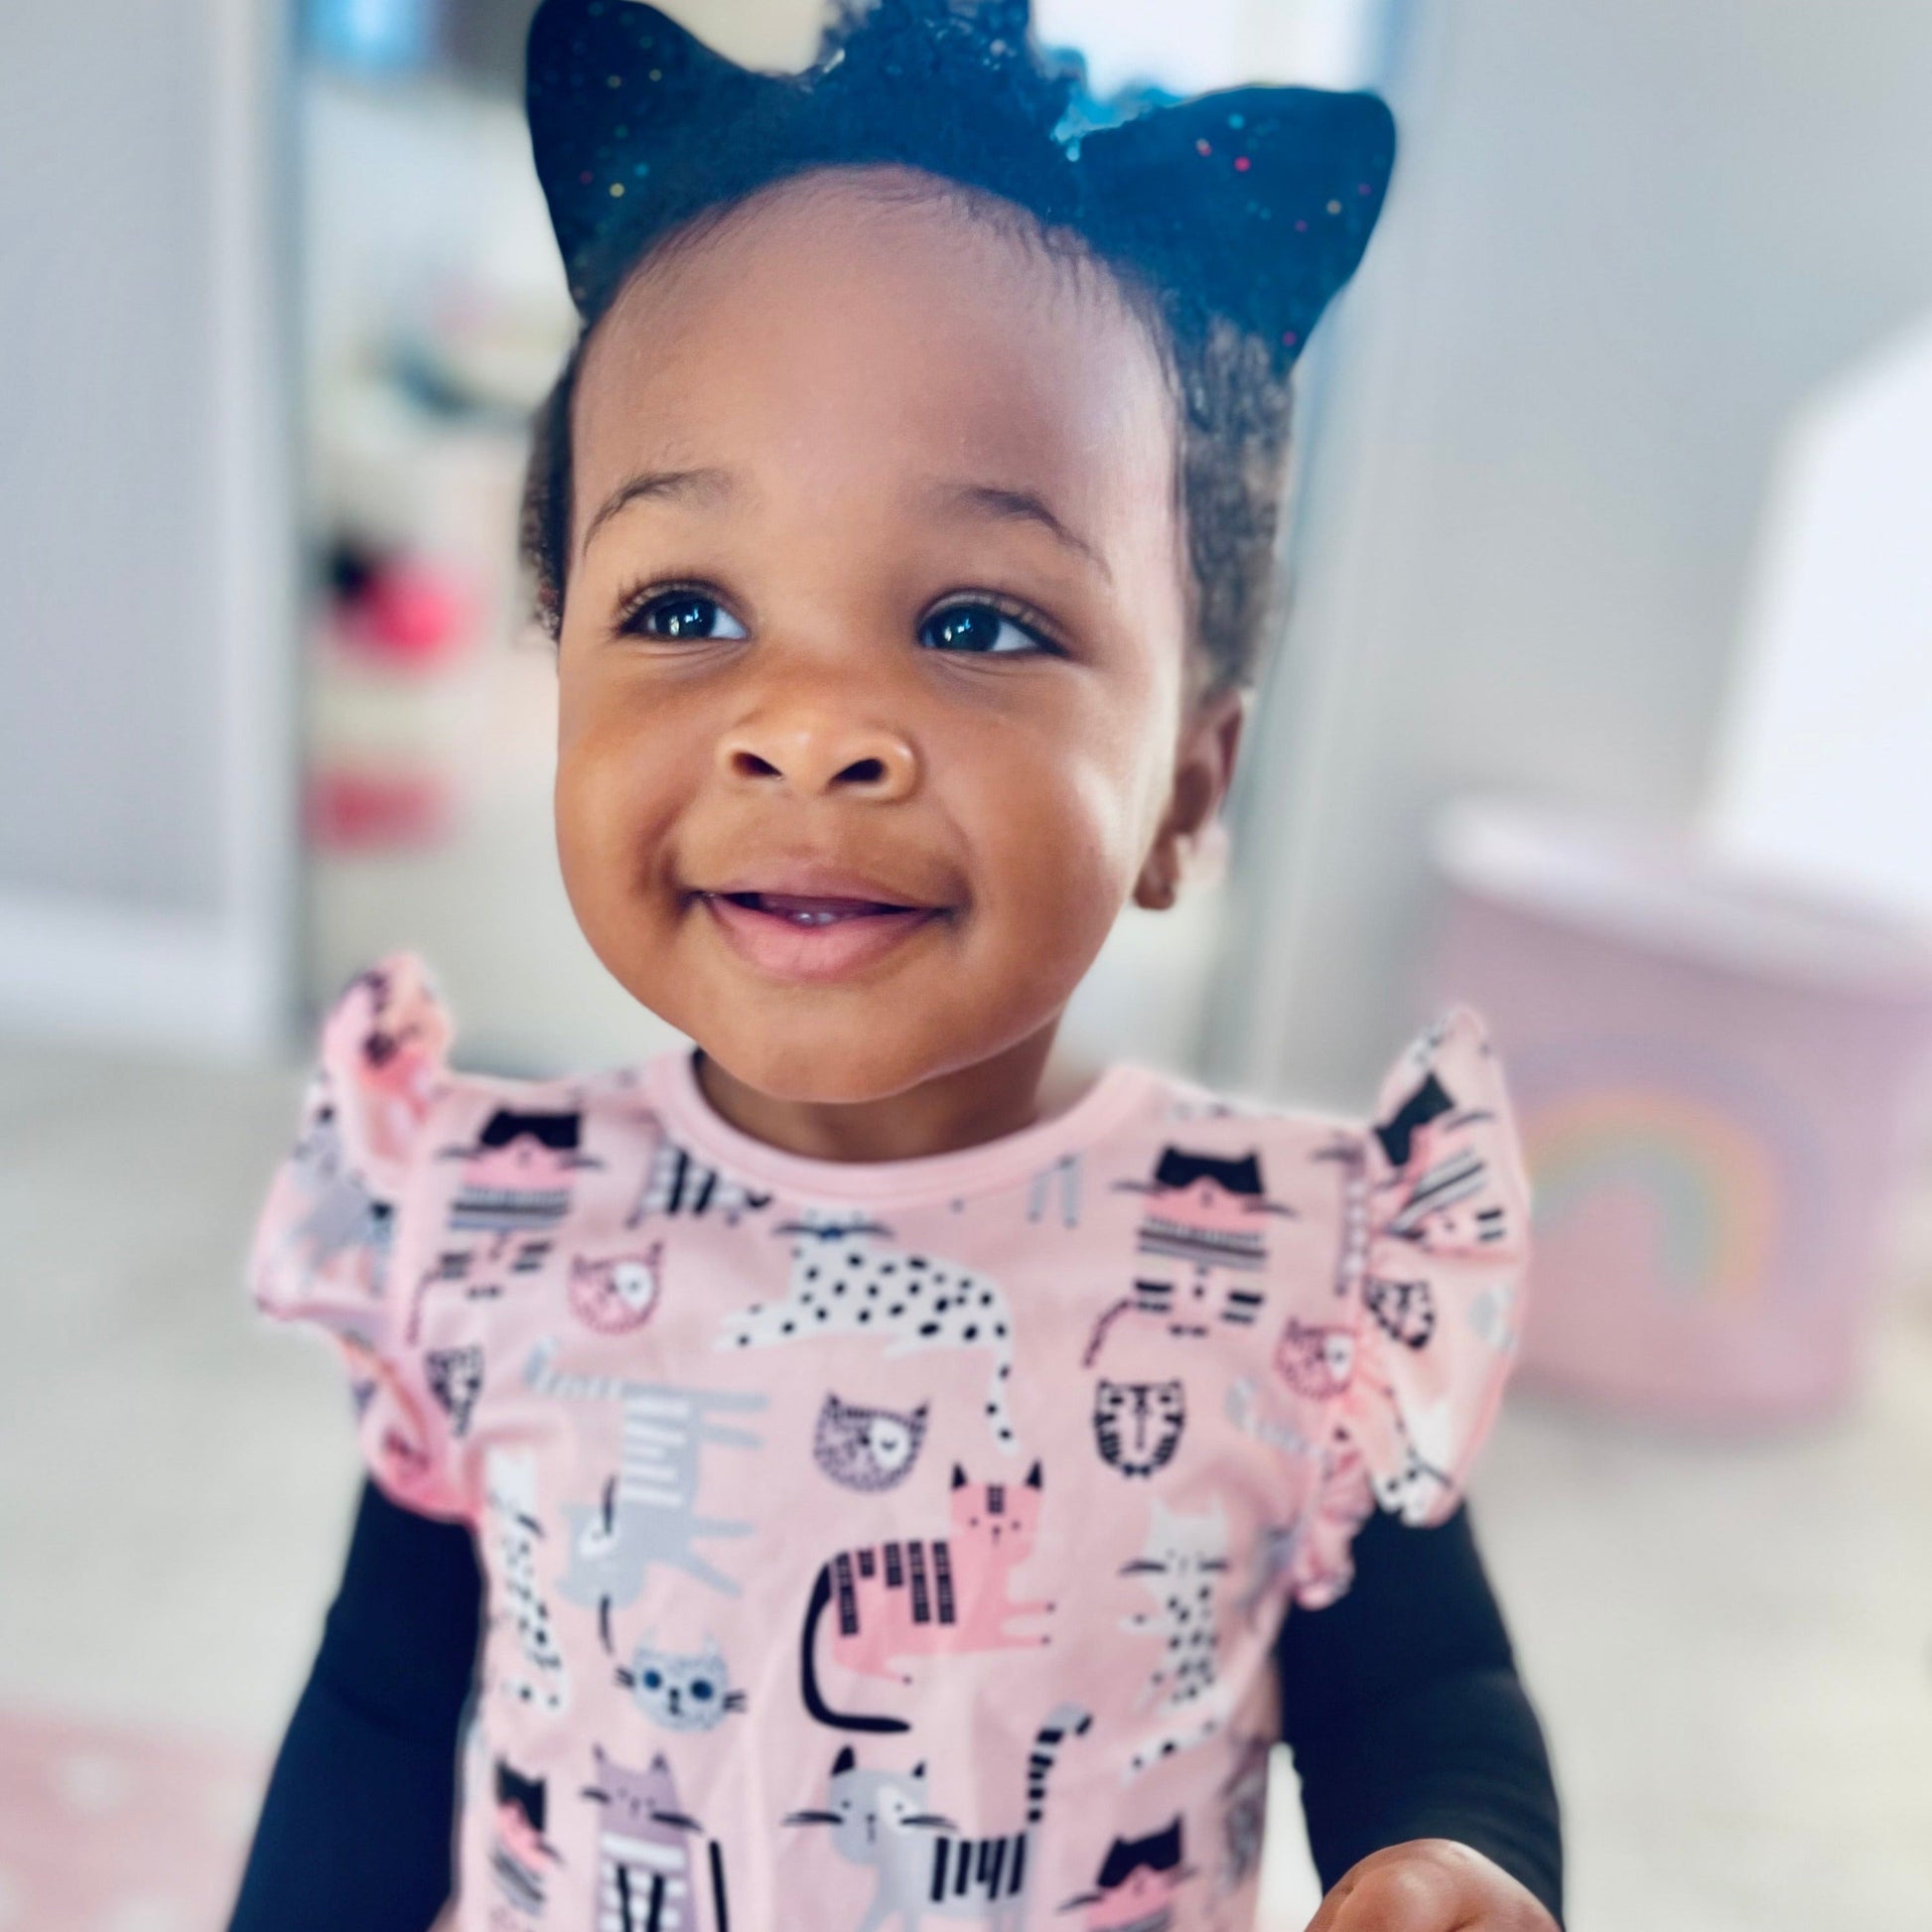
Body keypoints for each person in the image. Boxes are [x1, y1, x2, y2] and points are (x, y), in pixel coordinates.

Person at [232, 3, 1563, 1927]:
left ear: (1186, 788)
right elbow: (376, 1711)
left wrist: (1449, 1858)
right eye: (684, 607)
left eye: (978, 622)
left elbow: (1428, 1696)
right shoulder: (489, 1228)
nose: (809, 729)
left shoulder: (1296, 1285)